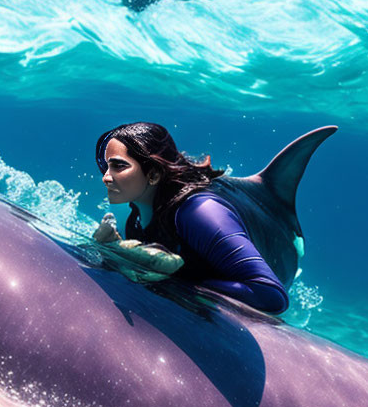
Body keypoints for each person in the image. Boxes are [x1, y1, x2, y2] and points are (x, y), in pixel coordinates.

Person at [93, 122, 289, 314]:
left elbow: (271, 295)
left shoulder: (199, 212)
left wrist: (176, 277)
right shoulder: (136, 214)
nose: (106, 177)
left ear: (153, 175)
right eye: (106, 166)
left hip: (280, 242)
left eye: (119, 166)